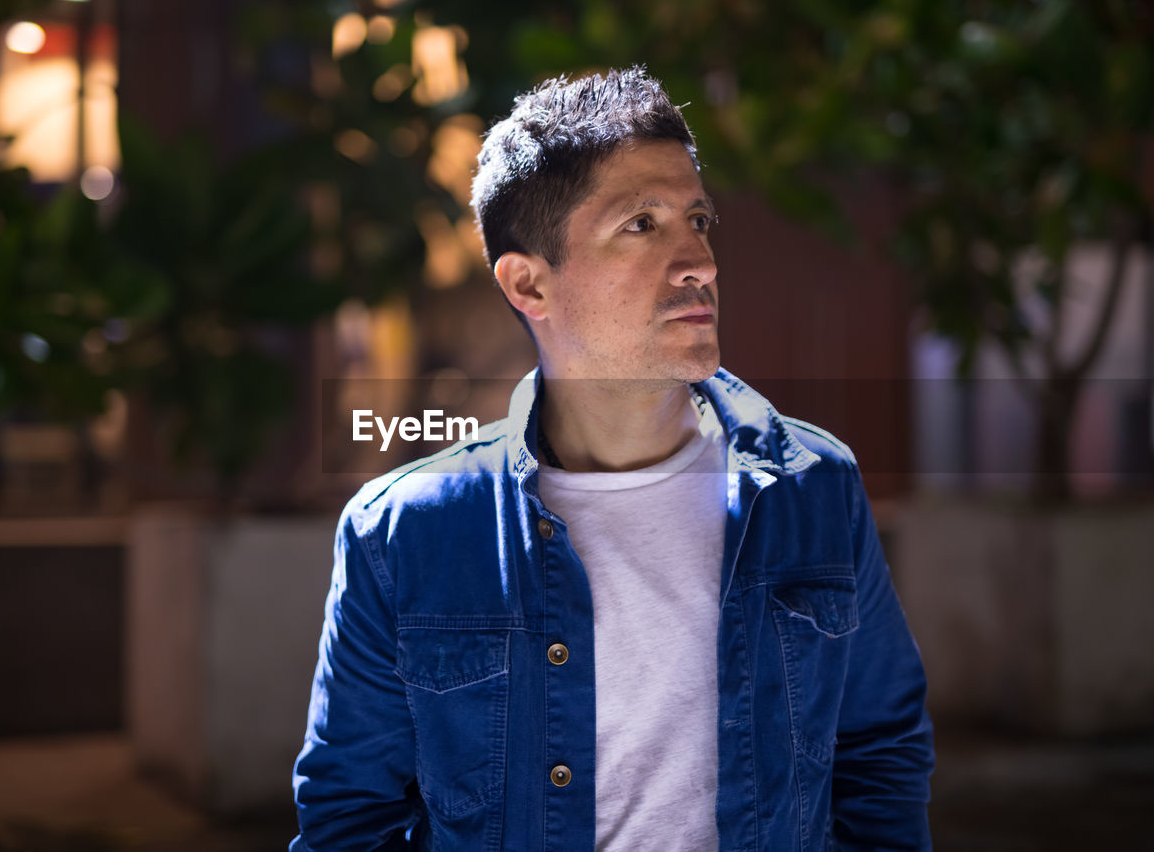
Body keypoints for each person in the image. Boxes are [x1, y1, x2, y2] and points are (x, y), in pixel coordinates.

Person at [292, 66, 933, 851]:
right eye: (642, 224)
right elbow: (348, 812)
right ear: (529, 283)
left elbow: (880, 753)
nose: (699, 259)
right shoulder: (403, 534)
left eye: (698, 220)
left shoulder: (812, 488)